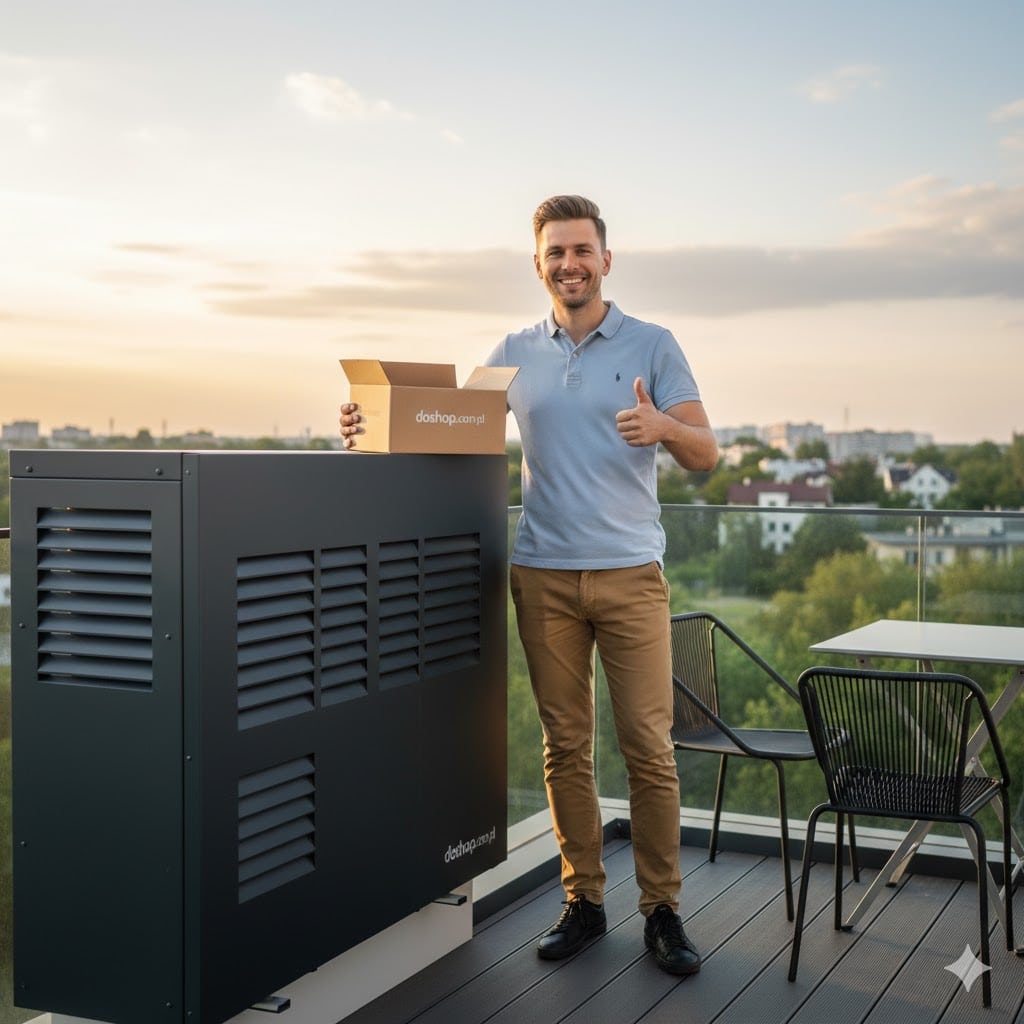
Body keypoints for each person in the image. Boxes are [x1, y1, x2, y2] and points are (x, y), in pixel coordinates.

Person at [340, 194, 718, 975]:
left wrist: (666, 430)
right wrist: (365, 427)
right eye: (555, 253)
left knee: (649, 747)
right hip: (542, 574)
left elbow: (706, 451)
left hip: (629, 576)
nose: (569, 265)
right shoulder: (513, 351)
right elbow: (439, 428)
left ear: (606, 259)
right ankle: (583, 900)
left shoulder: (653, 344)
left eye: (582, 251)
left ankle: (663, 912)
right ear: (538, 262)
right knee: (564, 746)